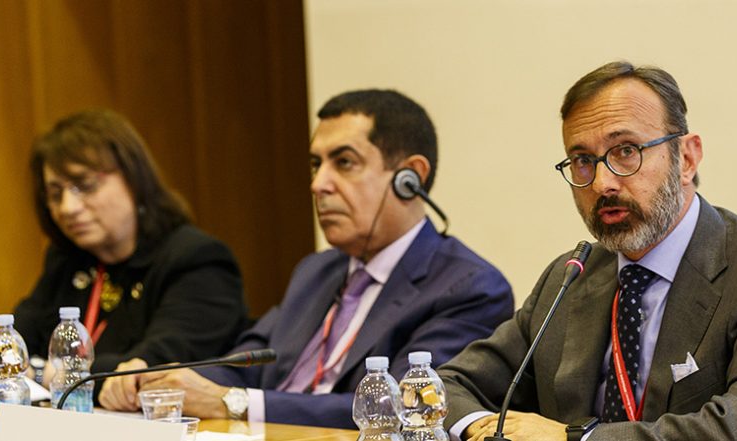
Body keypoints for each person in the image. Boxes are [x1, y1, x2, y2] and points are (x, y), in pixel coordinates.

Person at [439, 61, 737, 441]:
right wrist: (484, 428)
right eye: (583, 161)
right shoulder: (569, 277)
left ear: (687, 159)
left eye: (625, 151)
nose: (602, 183)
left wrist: (573, 440)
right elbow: (447, 386)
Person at [99, 89, 515, 428]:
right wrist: (164, 381)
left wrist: (233, 402)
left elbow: (400, 410)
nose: (318, 184)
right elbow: (246, 361)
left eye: (344, 163)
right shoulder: (317, 270)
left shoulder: (468, 288)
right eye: (316, 164)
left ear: (410, 178)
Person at [12, 109, 248, 396]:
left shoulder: (197, 260)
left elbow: (148, 371)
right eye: (55, 194)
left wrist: (44, 373)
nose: (67, 208)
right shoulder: (67, 259)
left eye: (85, 186)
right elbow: (23, 337)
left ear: (133, 178)